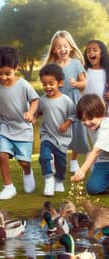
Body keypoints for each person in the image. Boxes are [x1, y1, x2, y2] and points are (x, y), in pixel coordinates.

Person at [0, 46, 39, 200]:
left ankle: (27, 172)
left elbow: (35, 100)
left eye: (7, 73)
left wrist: (30, 112)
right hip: (5, 126)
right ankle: (9, 187)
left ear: (15, 68)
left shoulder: (23, 85)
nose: (3, 77)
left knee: (23, 162)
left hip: (23, 127)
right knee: (2, 155)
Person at [44, 30, 88, 173]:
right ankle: (56, 160)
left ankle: (74, 159)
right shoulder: (52, 66)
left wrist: (76, 84)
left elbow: (84, 83)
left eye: (65, 46)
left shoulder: (75, 63)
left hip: (74, 101)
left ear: (70, 47)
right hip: (57, 103)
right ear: (54, 50)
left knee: (76, 132)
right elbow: (47, 83)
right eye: (59, 47)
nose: (62, 49)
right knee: (57, 131)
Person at [37, 64, 75, 196]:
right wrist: (32, 116)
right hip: (47, 135)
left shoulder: (66, 100)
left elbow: (74, 114)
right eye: (44, 84)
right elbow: (38, 112)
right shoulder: (42, 100)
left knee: (61, 163)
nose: (47, 87)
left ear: (60, 83)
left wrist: (67, 122)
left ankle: (59, 180)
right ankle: (48, 179)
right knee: (44, 156)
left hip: (62, 138)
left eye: (51, 83)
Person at [71, 94, 109, 194]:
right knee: (92, 188)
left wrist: (82, 170)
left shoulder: (106, 128)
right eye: (83, 120)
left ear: (101, 113)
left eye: (90, 118)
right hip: (104, 162)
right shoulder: (92, 126)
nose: (87, 123)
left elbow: (95, 152)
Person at [83, 39, 109, 115]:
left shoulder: (107, 71)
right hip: (86, 112)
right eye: (88, 51)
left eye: (95, 50)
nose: (91, 52)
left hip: (105, 113)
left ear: (101, 54)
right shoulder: (83, 71)